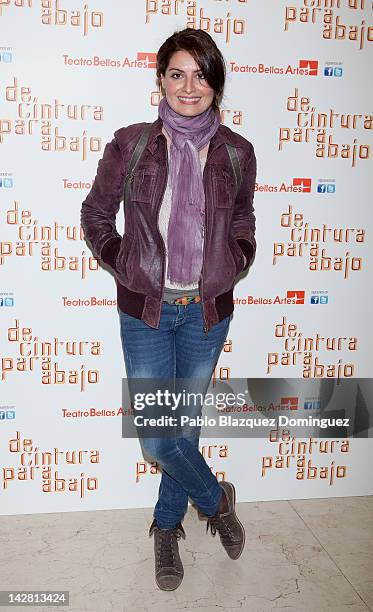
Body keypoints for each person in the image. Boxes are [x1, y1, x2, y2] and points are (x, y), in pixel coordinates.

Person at [80, 27, 257, 591]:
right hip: (147, 312)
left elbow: (244, 219)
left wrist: (238, 256)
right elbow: (95, 214)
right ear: (160, 80)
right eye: (177, 73)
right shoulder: (131, 144)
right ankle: (216, 499)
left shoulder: (236, 152)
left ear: (216, 85)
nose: (189, 86)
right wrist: (122, 261)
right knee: (159, 437)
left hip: (207, 312)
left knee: (183, 426)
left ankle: (164, 527)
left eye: (201, 75)